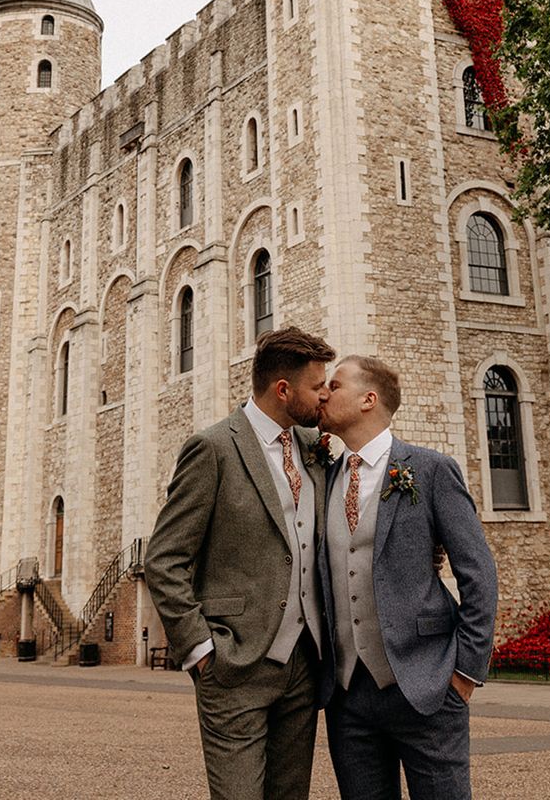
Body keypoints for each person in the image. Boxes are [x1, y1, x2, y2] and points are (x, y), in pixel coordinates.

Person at [144, 326, 336, 800]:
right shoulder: (213, 448)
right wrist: (201, 650)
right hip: (234, 665)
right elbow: (165, 558)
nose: (325, 395)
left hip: (304, 665)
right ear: (283, 390)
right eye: (317, 386)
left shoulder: (312, 445)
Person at [317, 355, 498, 800]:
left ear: (368, 399)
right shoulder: (322, 479)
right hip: (347, 696)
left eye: (335, 386)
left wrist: (464, 673)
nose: (322, 394)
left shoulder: (431, 469)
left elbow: (479, 573)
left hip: (427, 686)